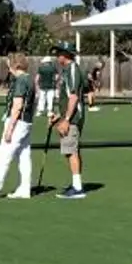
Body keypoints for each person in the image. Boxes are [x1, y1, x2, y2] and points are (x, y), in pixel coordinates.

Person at [0, 55, 38, 200]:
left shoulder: (21, 80)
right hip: (26, 122)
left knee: (4, 155)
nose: (9, 69)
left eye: (10, 66)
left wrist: (10, 128)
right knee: (24, 155)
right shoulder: (30, 79)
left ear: (16, 66)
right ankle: (25, 188)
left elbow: (17, 105)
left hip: (18, 122)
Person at [52, 43, 90, 199]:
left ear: (66, 55)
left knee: (70, 150)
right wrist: (58, 116)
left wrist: (66, 119)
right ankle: (76, 184)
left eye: (59, 53)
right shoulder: (67, 70)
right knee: (71, 150)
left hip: (73, 117)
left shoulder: (72, 69)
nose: (57, 56)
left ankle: (77, 188)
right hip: (69, 116)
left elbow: (73, 96)